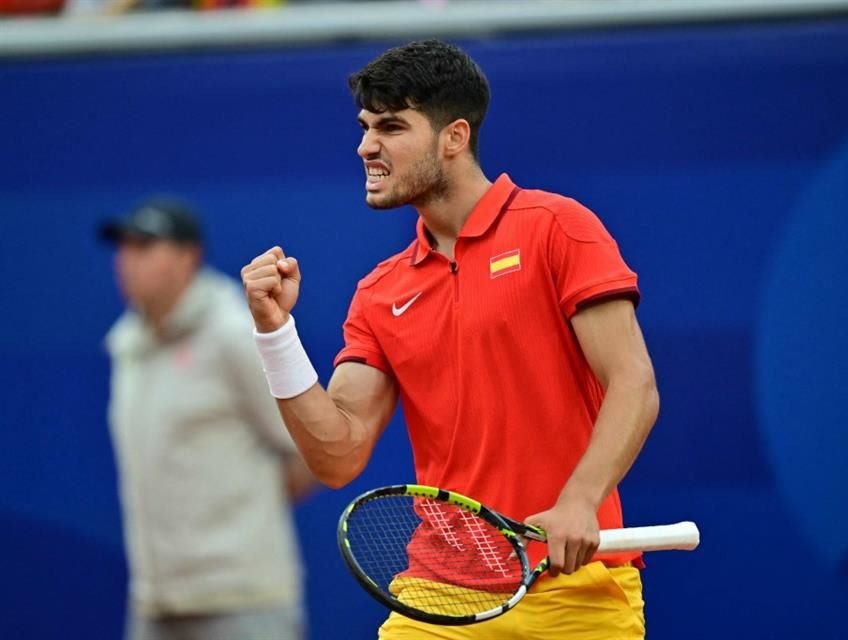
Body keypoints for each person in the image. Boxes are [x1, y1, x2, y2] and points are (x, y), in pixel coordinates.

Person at [242, 39, 659, 639]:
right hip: (436, 601)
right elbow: (336, 455)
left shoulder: (559, 229)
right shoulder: (380, 292)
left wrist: (579, 500)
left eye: (390, 126)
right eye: (364, 127)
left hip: (579, 595)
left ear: (454, 137)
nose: (366, 146)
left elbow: (634, 384)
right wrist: (275, 333)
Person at [100, 198, 315, 640]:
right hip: (154, 603)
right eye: (124, 247)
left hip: (243, 603)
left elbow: (309, 446)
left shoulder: (232, 333)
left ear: (187, 257)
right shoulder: (127, 345)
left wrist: (240, 518)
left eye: (145, 246)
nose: (127, 260)